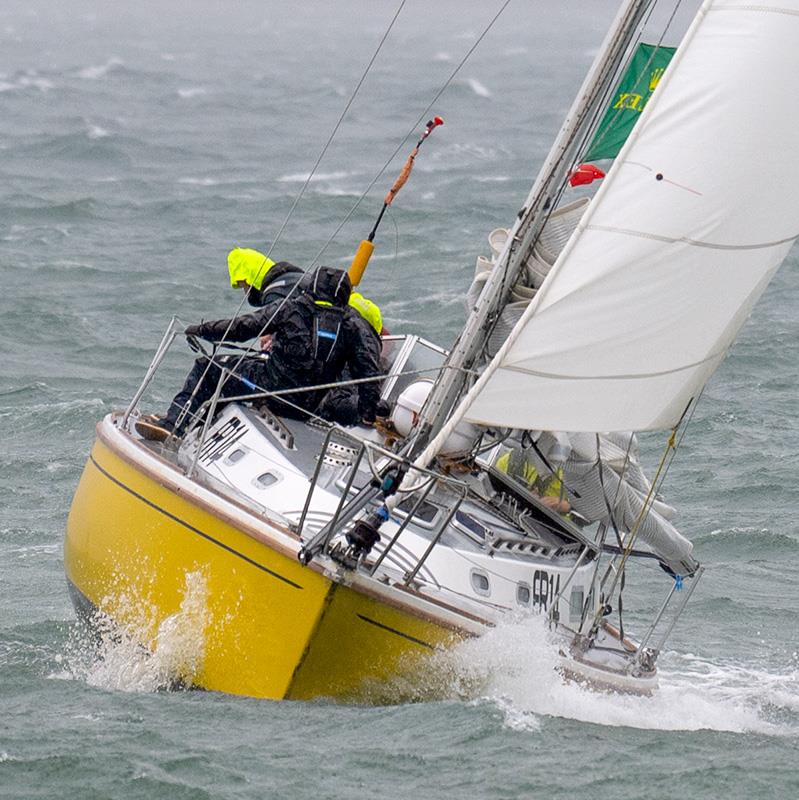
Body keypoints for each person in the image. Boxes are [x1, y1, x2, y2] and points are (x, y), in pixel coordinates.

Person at [137, 266, 381, 441]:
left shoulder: (292, 307)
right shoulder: (355, 326)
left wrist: (202, 330)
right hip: (309, 406)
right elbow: (369, 375)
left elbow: (242, 328)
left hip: (268, 389)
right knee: (233, 373)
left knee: (208, 368)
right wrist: (368, 414)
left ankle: (173, 425)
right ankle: (194, 427)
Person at [495, 445, 571, 515]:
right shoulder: (507, 461)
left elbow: (580, 512)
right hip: (503, 514)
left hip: (546, 525)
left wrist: (564, 506)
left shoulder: (569, 474)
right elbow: (490, 492)